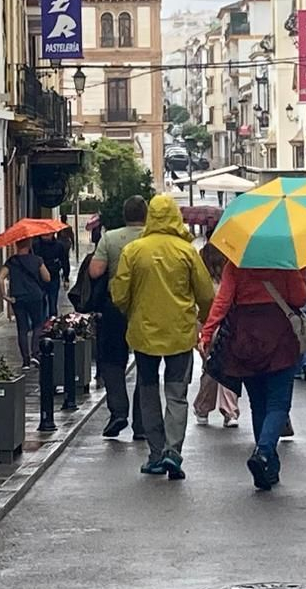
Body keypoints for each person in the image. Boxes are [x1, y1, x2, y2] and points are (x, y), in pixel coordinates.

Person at [110, 196, 214, 480]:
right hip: (179, 333)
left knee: (147, 389)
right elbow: (206, 294)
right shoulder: (187, 251)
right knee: (176, 394)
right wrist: (202, 320)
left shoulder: (134, 251)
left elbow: (119, 294)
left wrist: (132, 311)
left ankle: (155, 453)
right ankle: (173, 451)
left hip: (144, 333)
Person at [199, 259, 306, 490]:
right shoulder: (287, 262)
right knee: (278, 403)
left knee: (258, 404)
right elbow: (300, 298)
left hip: (244, 335)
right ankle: (264, 451)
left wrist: (207, 333)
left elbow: (223, 301)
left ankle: (269, 466)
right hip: (279, 333)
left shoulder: (236, 264)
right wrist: (299, 273)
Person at [90, 196, 149, 440]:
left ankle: (118, 411)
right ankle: (142, 422)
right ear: (146, 215)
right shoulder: (152, 238)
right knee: (147, 364)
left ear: (124, 214)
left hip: (115, 306)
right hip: (146, 307)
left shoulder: (110, 238)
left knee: (112, 361)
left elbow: (95, 271)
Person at [193, 242, 240, 427]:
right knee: (229, 367)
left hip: (204, 324)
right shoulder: (231, 272)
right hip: (228, 324)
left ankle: (203, 408)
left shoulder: (202, 276)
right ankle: (230, 411)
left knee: (211, 368)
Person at [0, 237, 50, 367]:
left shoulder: (11, 261)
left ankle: (25, 360)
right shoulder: (37, 260)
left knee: (22, 328)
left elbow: (0, 277)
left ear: (16, 245)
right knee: (38, 325)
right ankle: (35, 353)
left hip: (18, 297)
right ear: (29, 244)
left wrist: (4, 295)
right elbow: (47, 278)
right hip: (35, 296)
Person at [35, 232, 71, 321]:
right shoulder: (35, 245)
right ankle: (41, 323)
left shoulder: (59, 246)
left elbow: (65, 261)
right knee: (40, 301)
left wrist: (66, 277)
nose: (45, 236)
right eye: (44, 234)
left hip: (53, 276)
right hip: (39, 277)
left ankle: (52, 322)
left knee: (53, 301)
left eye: (48, 234)